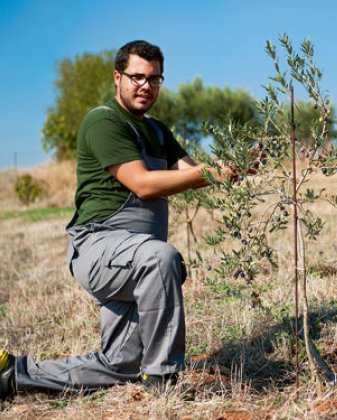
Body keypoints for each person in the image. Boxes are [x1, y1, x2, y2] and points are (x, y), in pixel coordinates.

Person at [0, 40, 237, 398]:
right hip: (99, 248)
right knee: (161, 259)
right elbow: (142, 184)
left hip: (133, 254)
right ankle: (163, 378)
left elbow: (192, 173)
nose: (146, 86)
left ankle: (14, 375)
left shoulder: (157, 131)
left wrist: (236, 168)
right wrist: (214, 173)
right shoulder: (103, 122)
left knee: (120, 364)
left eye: (155, 79)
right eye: (137, 77)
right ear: (118, 77)